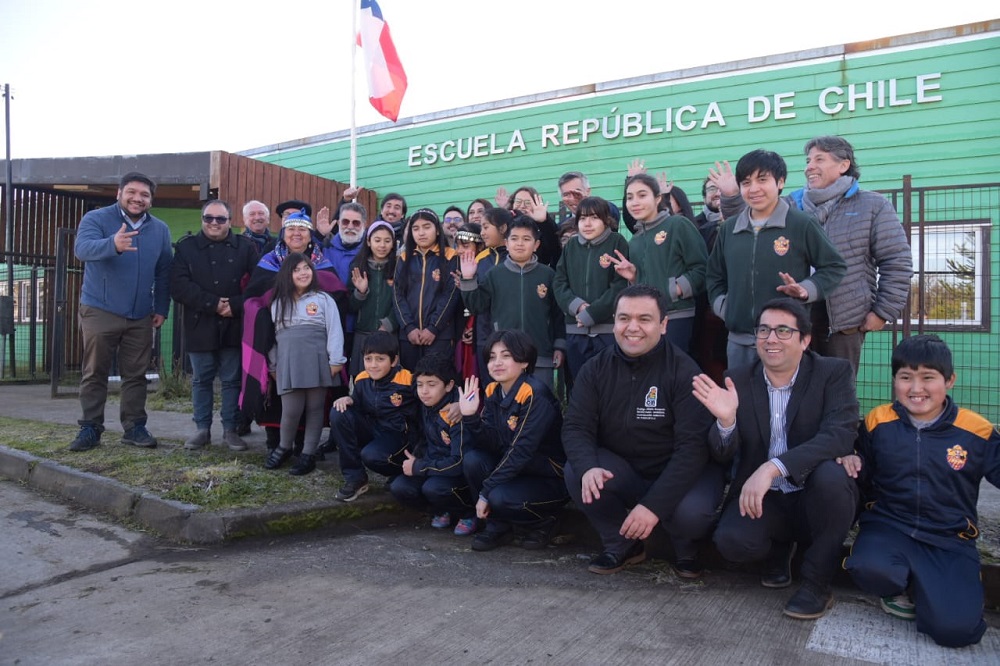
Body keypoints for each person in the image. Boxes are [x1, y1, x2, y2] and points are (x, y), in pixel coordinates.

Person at [692, 297, 858, 620]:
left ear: (805, 340)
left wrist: (774, 467)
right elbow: (721, 454)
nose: (771, 339)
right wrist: (726, 423)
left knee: (834, 478)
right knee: (732, 542)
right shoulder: (738, 379)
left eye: (783, 331)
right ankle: (780, 547)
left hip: (814, 491)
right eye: (764, 330)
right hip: (766, 498)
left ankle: (816, 583)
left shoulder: (833, 373)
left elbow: (840, 434)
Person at [841, 334, 999, 648]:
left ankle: (933, 588)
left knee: (957, 632)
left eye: (928, 378)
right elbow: (863, 471)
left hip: (948, 538)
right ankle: (899, 586)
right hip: (889, 527)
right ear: (895, 380)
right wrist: (851, 458)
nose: (916, 389)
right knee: (866, 567)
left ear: (949, 381)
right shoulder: (877, 421)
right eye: (905, 378)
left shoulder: (977, 431)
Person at [711, 137, 912, 375]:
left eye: (819, 159)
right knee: (794, 390)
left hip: (843, 321)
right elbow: (749, 223)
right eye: (807, 161)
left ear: (843, 165)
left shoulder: (872, 205)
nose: (809, 167)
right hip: (791, 319)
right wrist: (732, 195)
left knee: (835, 389)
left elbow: (897, 261)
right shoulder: (792, 203)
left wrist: (882, 312)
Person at [562, 285, 724, 577]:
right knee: (578, 471)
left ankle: (684, 546)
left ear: (663, 325)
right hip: (627, 472)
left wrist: (652, 506)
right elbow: (576, 426)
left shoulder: (685, 371)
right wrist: (588, 467)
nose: (632, 327)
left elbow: (692, 449)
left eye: (644, 319)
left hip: (680, 473)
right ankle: (621, 544)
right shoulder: (594, 369)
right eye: (624, 318)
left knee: (693, 514)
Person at [706, 149, 846, 369]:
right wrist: (724, 307)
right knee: (742, 401)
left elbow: (834, 266)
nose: (754, 189)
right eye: (746, 182)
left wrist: (806, 289)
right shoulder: (730, 229)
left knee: (784, 401)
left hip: (785, 338)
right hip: (738, 340)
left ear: (780, 182)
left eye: (762, 180)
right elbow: (714, 275)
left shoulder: (801, 224)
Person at [69, 172, 172, 452]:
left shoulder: (160, 229)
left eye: (145, 195)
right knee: (95, 372)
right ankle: (90, 428)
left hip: (140, 314)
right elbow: (82, 249)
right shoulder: (97, 219)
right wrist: (112, 245)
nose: (138, 198)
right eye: (132, 192)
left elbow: (164, 272)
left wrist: (161, 308)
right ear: (119, 193)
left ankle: (135, 427)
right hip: (100, 309)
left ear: (151, 200)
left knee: (136, 375)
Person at [241, 210, 347, 454]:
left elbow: (336, 300)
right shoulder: (269, 261)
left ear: (311, 236)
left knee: (313, 403)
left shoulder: (321, 262)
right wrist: (262, 317)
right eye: (291, 229)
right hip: (277, 343)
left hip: (315, 350)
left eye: (302, 229)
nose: (297, 234)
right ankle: (276, 442)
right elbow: (253, 297)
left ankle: (305, 448)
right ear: (283, 234)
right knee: (283, 400)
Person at [460, 330, 569, 552]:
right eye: (492, 357)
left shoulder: (535, 394)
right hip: (517, 470)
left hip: (548, 476)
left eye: (506, 356)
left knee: (499, 497)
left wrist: (485, 492)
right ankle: (498, 526)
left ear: (524, 361)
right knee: (473, 460)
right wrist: (470, 417)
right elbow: (492, 443)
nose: (497, 363)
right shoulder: (493, 390)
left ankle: (544, 522)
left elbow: (521, 451)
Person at [169, 200, 258, 451]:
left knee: (231, 380)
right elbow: (179, 285)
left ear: (230, 221)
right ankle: (202, 429)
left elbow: (260, 283)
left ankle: (230, 429)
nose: (214, 223)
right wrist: (213, 304)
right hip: (200, 323)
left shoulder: (246, 247)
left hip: (234, 323)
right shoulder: (186, 248)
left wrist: (236, 305)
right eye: (209, 218)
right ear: (202, 220)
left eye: (221, 219)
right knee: (201, 379)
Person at [263, 253, 346, 475]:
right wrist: (273, 365)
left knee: (316, 409)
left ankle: (308, 454)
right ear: (287, 275)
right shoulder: (278, 303)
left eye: (307, 268)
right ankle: (283, 447)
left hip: (318, 360)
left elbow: (335, 331)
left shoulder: (324, 300)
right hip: (288, 363)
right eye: (297, 269)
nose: (303, 273)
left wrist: (336, 360)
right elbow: (272, 339)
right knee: (290, 410)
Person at [460, 216, 565, 391]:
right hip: (506, 356)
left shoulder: (548, 275)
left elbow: (557, 314)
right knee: (507, 405)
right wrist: (469, 278)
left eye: (526, 239)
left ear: (536, 245)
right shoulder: (495, 274)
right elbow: (476, 306)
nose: (520, 244)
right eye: (514, 239)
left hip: (541, 354)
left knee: (541, 403)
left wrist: (559, 346)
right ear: (506, 243)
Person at [611, 174, 708, 354]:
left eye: (642, 195)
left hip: (676, 316)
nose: (634, 202)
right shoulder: (635, 240)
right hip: (644, 321)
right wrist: (634, 277)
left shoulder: (678, 224)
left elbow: (703, 268)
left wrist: (675, 289)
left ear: (657, 198)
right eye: (630, 197)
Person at [392, 352, 477, 535]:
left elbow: (458, 462)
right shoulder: (425, 403)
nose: (424, 391)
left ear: (449, 385)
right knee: (400, 487)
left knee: (434, 488)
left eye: (432, 385)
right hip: (433, 464)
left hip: (455, 472)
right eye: (420, 385)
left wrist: (420, 467)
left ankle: (468, 513)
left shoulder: (457, 412)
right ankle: (441, 510)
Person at [330, 331, 418, 502]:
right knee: (339, 412)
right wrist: (348, 399)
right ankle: (355, 478)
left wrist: (456, 404)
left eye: (380, 359)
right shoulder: (362, 379)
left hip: (398, 436)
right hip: (374, 430)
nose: (373, 365)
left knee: (371, 456)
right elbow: (358, 406)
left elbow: (436, 393)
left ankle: (405, 470)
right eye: (368, 359)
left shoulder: (409, 381)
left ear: (394, 360)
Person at [553, 196, 629, 387]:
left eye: (594, 218)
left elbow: (619, 285)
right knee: (580, 386)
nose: (587, 223)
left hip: (607, 331)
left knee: (610, 385)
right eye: (582, 218)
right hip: (575, 331)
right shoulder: (571, 246)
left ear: (606, 220)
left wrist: (593, 313)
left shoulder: (617, 242)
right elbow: (559, 282)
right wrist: (578, 307)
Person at [392, 208, 461, 370]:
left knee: (436, 380)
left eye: (426, 227)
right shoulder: (404, 258)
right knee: (411, 382)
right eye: (416, 229)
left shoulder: (451, 256)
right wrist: (409, 327)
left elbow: (451, 295)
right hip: (409, 336)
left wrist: (433, 328)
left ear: (437, 230)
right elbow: (397, 295)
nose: (421, 233)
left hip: (439, 335)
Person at [346, 220, 397, 377]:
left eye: (387, 241)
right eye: (377, 240)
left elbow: (404, 302)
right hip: (363, 335)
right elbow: (350, 306)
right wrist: (360, 292)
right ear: (368, 242)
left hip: (389, 335)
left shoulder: (399, 268)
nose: (382, 245)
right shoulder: (358, 267)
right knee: (362, 381)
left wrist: (389, 324)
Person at [498, 185, 561, 268]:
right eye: (518, 202)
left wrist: (544, 221)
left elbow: (554, 246)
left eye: (528, 203)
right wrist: (503, 212)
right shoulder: (506, 223)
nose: (522, 206)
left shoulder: (543, 226)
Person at [557, 171, 621, 228]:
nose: (572, 198)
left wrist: (586, 203)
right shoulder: (562, 226)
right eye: (566, 194)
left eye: (577, 193)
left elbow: (610, 211)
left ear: (587, 191)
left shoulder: (608, 209)